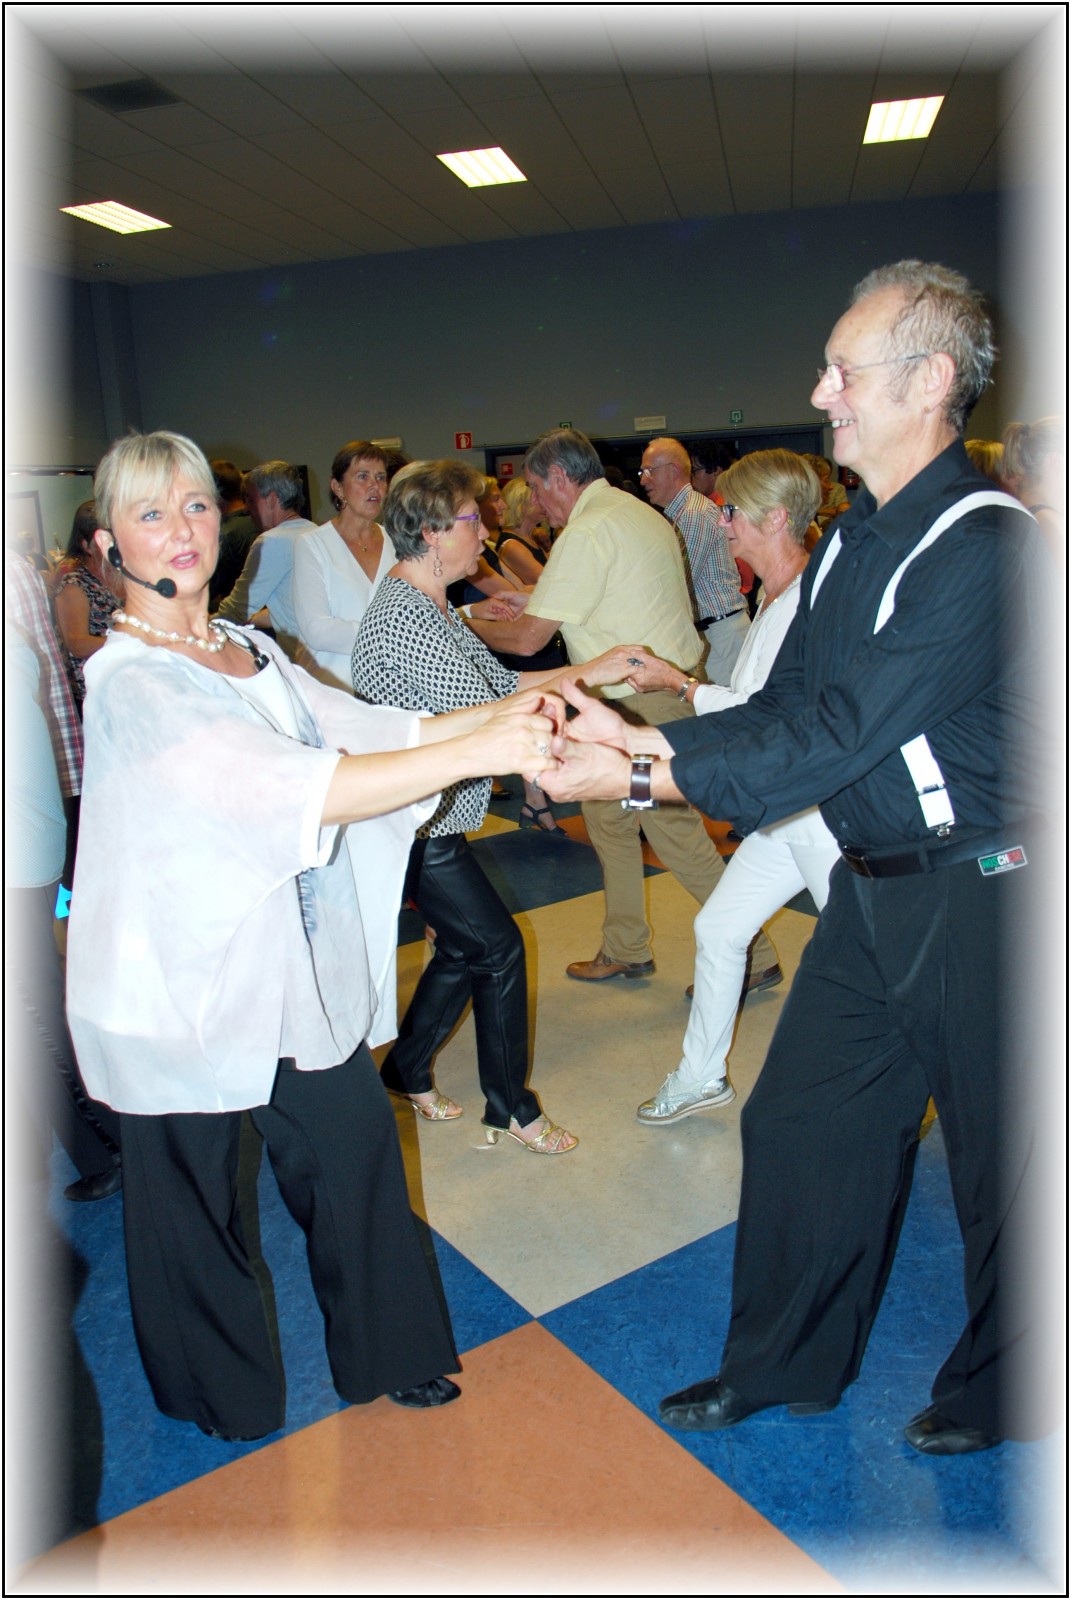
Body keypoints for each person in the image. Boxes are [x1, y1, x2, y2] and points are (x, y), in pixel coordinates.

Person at [539, 261, 1053, 1454]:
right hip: (877, 888)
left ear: (928, 381)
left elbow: (839, 734)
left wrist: (636, 780)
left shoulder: (990, 545)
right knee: (801, 1123)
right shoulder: (853, 540)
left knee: (1008, 1168)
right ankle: (787, 1363)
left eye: (842, 370)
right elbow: (786, 705)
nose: (821, 392)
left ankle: (1014, 1387)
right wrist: (643, 741)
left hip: (989, 893)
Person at [65, 430, 561, 1441]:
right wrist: (483, 748)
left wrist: (502, 720)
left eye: (195, 504)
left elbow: (357, 727)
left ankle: (392, 1353)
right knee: (194, 1199)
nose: (181, 528)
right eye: (150, 512)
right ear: (110, 543)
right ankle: (219, 1391)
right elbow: (287, 786)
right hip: (180, 982)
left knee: (351, 1148)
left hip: (283, 957)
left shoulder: (244, 646)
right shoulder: (131, 679)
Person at [352, 460, 634, 1149]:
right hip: (412, 825)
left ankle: (406, 1070)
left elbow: (503, 683)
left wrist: (588, 674)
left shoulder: (430, 606)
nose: (484, 532)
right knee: (499, 949)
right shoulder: (404, 615)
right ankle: (512, 1108)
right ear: (431, 531)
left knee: (462, 947)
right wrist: (578, 727)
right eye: (472, 520)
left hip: (428, 819)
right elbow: (486, 713)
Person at [468, 429, 777, 988]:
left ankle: (754, 952)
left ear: (559, 477)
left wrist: (457, 621)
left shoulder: (588, 529)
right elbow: (605, 597)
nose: (535, 500)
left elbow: (529, 640)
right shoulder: (635, 513)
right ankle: (625, 946)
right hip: (633, 701)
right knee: (608, 825)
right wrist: (528, 601)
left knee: (675, 835)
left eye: (536, 486)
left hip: (641, 707)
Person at [623, 450, 841, 1125]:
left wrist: (678, 688)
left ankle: (923, 1084)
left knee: (862, 957)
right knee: (718, 928)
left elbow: (762, 714)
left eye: (732, 513)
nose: (722, 525)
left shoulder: (808, 601)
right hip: (783, 813)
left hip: (821, 818)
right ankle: (701, 1076)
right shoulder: (771, 595)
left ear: (775, 519)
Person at [638, 436, 749, 686]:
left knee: (728, 707)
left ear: (674, 470)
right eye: (642, 472)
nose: (643, 480)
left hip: (720, 635)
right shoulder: (681, 513)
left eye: (649, 471)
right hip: (714, 633)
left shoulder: (692, 514)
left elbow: (676, 584)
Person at [291, 440, 394, 689]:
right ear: (338, 487)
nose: (374, 486)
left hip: (393, 688)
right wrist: (397, 635)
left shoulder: (397, 542)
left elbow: (421, 611)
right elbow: (318, 630)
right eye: (362, 476)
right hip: (336, 690)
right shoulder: (312, 545)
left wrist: (471, 611)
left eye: (381, 477)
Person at [214, 459, 316, 662]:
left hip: (305, 662)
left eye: (251, 500)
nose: (247, 509)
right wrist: (252, 620)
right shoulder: (316, 532)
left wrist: (200, 628)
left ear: (271, 499)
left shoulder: (272, 542)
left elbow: (237, 608)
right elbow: (293, 608)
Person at [52, 500, 121, 709]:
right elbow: (77, 643)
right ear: (86, 545)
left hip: (127, 679)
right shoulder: (75, 584)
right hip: (97, 688)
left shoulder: (126, 576)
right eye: (105, 539)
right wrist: (127, 642)